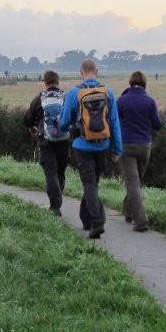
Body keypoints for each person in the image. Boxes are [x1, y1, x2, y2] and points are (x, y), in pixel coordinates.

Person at [61, 59, 122, 239]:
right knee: (93, 183)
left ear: (81, 72)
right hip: (102, 145)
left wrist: (64, 130)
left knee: (89, 184)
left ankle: (97, 222)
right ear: (96, 71)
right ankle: (86, 219)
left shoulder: (74, 93)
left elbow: (64, 121)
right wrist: (117, 149)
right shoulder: (108, 92)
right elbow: (115, 123)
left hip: (82, 145)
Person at [117, 71, 163, 232]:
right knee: (136, 182)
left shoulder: (121, 100)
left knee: (132, 182)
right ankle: (130, 213)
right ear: (145, 83)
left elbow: (114, 122)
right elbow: (157, 125)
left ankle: (141, 220)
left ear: (130, 83)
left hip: (126, 145)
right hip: (144, 146)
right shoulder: (150, 101)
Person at [22, 70, 70, 216]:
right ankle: (57, 200)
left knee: (51, 173)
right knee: (60, 172)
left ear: (45, 82)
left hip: (45, 142)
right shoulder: (66, 98)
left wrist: (32, 129)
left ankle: (55, 207)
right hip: (63, 141)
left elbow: (27, 120)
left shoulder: (39, 99)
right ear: (58, 82)